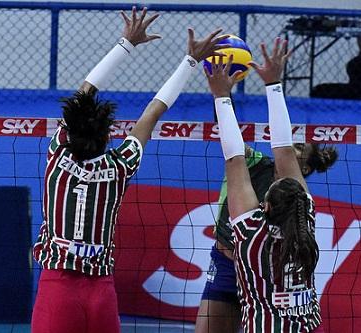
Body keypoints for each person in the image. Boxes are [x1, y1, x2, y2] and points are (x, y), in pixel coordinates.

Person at [31, 6, 230, 333]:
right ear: (108, 134)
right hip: (100, 291)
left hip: (58, 288)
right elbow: (153, 111)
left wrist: (125, 43)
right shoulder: (119, 164)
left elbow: (84, 92)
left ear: (70, 128)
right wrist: (190, 61)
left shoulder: (58, 155)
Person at [204, 37, 324, 332]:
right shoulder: (305, 224)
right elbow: (282, 150)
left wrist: (222, 95)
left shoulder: (250, 235)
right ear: (303, 201)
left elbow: (236, 156)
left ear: (265, 207)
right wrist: (273, 85)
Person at [195, 142, 337, 333]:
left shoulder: (301, 202)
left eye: (300, 147)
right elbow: (233, 146)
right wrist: (222, 111)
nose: (290, 147)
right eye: (292, 142)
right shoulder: (256, 163)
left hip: (266, 279)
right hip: (227, 267)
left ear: (305, 168)